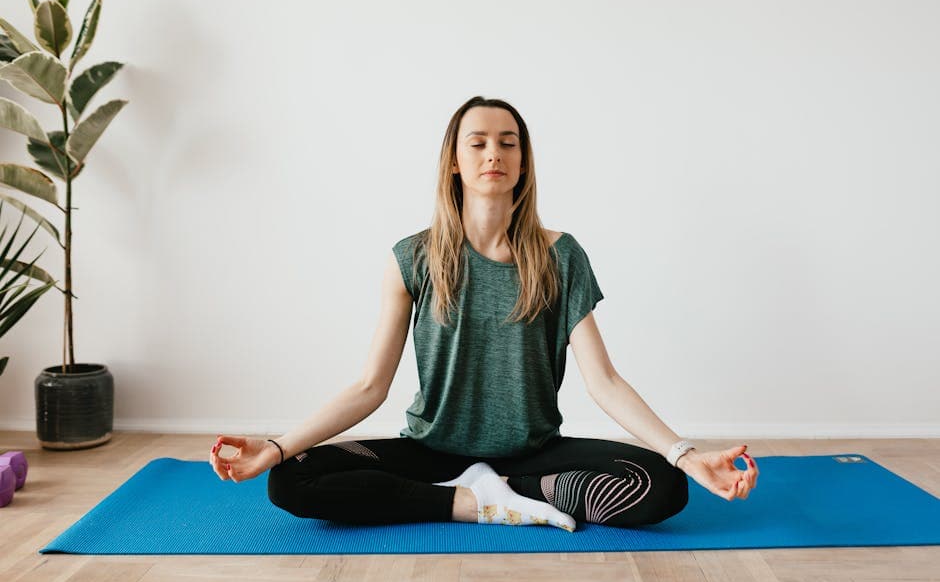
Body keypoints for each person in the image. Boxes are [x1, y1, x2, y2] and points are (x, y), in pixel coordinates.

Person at [209, 96, 759, 531]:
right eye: (478, 143)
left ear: (522, 162)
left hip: (534, 454)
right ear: (456, 161)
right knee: (290, 479)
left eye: (507, 143)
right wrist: (278, 445)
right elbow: (369, 387)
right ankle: (475, 503)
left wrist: (685, 455)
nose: (493, 153)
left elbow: (606, 382)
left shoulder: (560, 256)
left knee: (663, 485)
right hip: (432, 452)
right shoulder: (413, 258)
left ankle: (511, 494)